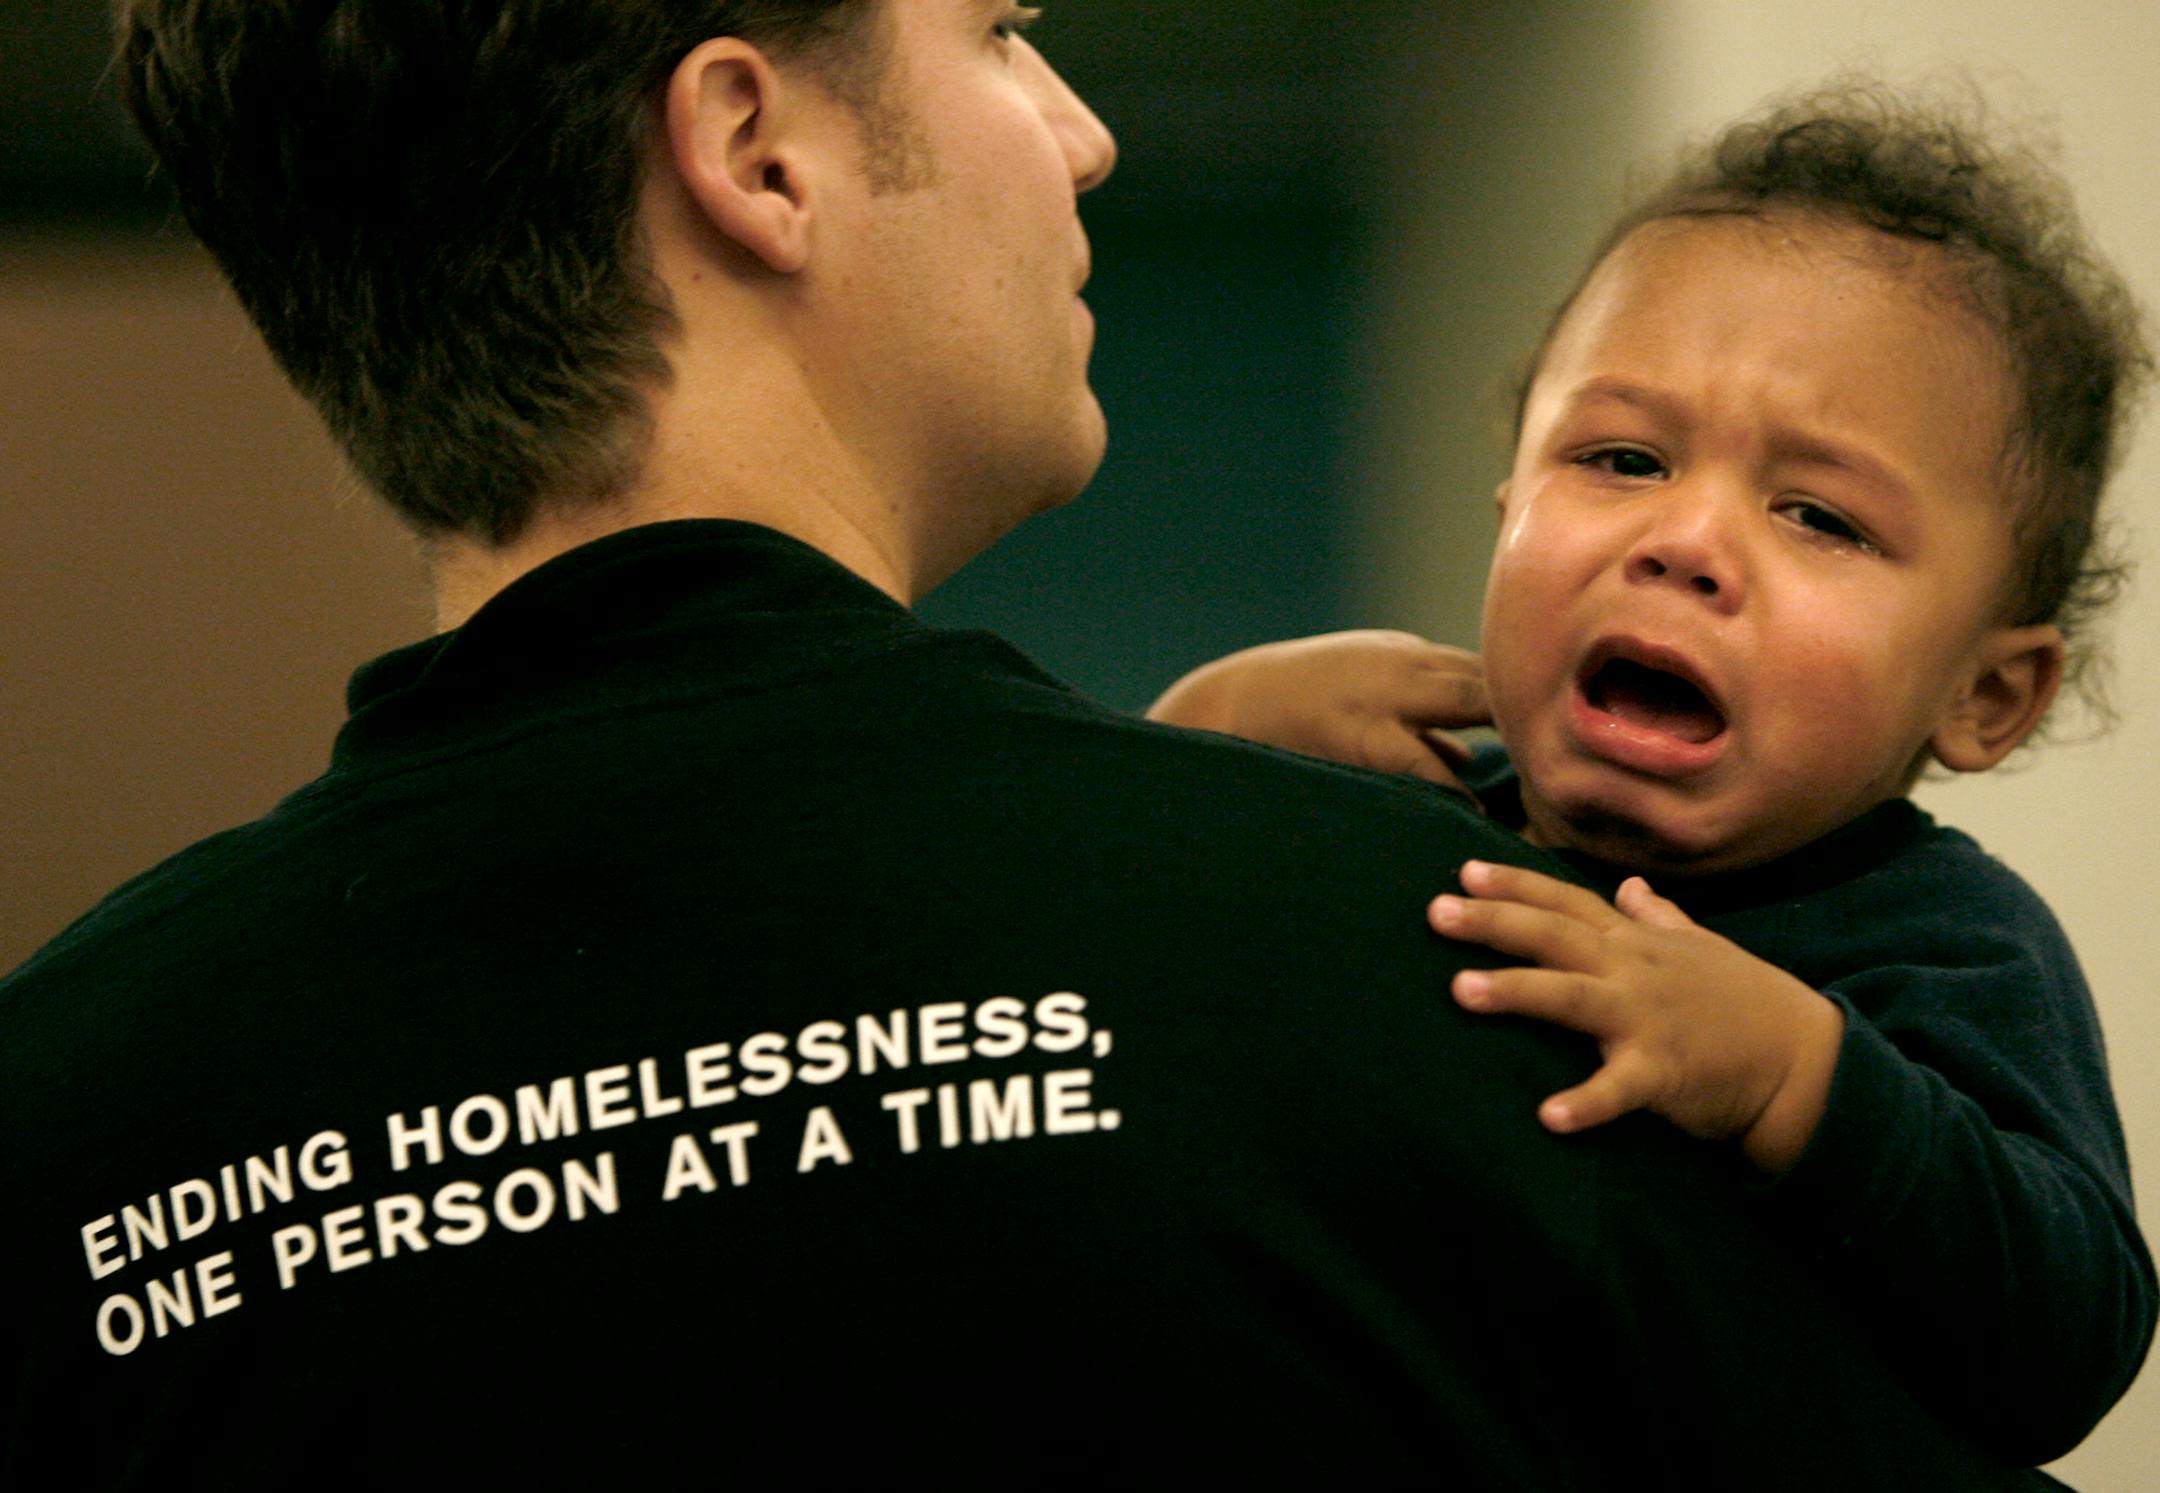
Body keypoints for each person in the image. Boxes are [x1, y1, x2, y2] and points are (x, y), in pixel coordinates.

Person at [0, 5, 2071, 1483]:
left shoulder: (58, 1120)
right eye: (1001, 32)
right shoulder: (1469, 982)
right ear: (754, 150)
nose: (1080, 132)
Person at [1147, 87, 2157, 1463]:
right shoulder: (1404, 822)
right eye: (1622, 458)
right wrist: (1193, 748)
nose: (1684, 541)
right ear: (1508, 510)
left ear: (1984, 695)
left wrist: (1791, 1075)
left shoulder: (1945, 942)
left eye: (1820, 516)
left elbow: (2069, 1339)